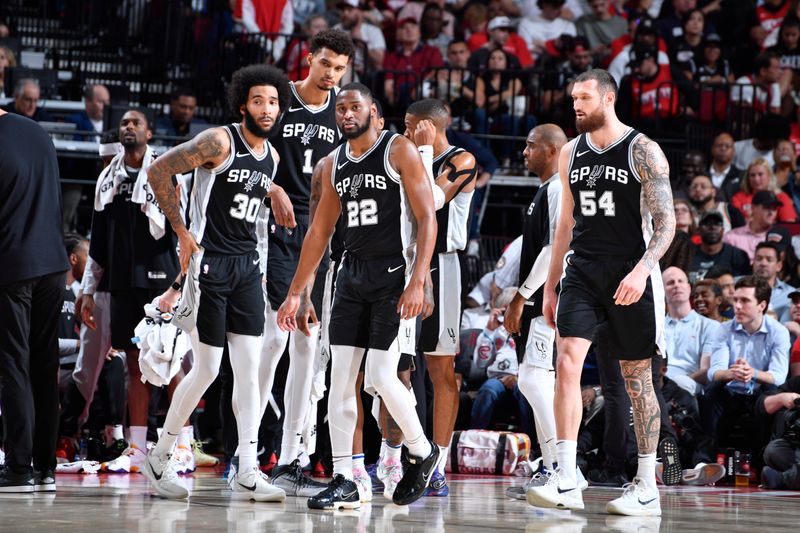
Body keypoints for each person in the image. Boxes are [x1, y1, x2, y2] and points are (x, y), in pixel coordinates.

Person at [276, 83, 439, 509]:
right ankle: (347, 478)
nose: (346, 113)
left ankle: (423, 451)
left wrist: (419, 279)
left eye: (355, 107)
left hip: (393, 275)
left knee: (382, 377)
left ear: (376, 116)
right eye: (341, 108)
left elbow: (426, 218)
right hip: (349, 277)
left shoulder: (398, 149)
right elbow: (319, 232)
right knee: (340, 382)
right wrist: (298, 292)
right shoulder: (333, 164)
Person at [140, 64, 294, 502]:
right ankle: (160, 455)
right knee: (207, 369)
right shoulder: (218, 141)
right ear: (243, 103)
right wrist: (182, 233)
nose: (268, 109)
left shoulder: (273, 156)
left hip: (247, 266)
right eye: (260, 100)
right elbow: (158, 172)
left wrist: (274, 191)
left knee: (250, 370)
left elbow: (254, 191)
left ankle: (247, 468)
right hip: (209, 265)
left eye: (274, 102)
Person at [529, 69, 675, 517]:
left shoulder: (643, 150)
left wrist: (642, 270)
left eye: (585, 98)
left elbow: (667, 224)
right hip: (583, 272)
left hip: (631, 272)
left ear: (608, 99)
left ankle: (646, 482)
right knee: (567, 361)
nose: (576, 105)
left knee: (636, 380)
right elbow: (565, 225)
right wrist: (550, 288)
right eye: (573, 98)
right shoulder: (570, 153)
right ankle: (568, 476)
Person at [257, 29, 353, 498]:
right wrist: (271, 186)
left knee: (308, 349)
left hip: (323, 232)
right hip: (277, 228)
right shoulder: (279, 98)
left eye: (340, 69)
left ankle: (292, 453)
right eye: (326, 65)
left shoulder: (345, 112)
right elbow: (248, 149)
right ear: (310, 59)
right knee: (274, 340)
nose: (331, 75)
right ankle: (250, 449)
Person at [78, 109, 186, 473]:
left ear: (149, 132)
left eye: (135, 122)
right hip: (123, 283)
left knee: (170, 363)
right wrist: (88, 291)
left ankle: (182, 443)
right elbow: (96, 245)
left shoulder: (166, 172)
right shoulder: (107, 179)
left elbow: (183, 229)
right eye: (124, 123)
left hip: (161, 281)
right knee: (136, 366)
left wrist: (181, 281)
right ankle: (138, 448)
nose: (128, 127)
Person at [405, 98, 477, 496]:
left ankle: (439, 463)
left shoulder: (461, 159)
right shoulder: (405, 154)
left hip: (443, 266)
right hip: (402, 263)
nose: (404, 131)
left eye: (410, 125)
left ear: (427, 126)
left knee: (440, 369)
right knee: (396, 367)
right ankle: (397, 456)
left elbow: (431, 200)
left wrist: (425, 150)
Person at [0, 107, 69, 492]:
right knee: (44, 364)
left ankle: (18, 467)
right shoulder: (37, 132)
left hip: (13, 264)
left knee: (13, 363)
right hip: (54, 263)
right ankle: (45, 467)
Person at [503, 124, 569, 498]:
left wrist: (521, 296)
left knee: (533, 378)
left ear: (551, 150)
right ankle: (552, 464)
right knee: (534, 380)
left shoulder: (559, 188)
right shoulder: (544, 191)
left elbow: (553, 249)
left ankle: (561, 466)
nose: (524, 152)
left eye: (530, 146)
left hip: (548, 299)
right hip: (537, 298)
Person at [705, 276, 790, 451]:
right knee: (712, 389)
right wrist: (733, 373)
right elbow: (713, 372)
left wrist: (753, 373)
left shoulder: (778, 332)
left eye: (744, 301)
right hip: (731, 391)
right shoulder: (723, 329)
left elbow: (779, 376)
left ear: (762, 305)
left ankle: (764, 460)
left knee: (773, 391)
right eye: (736, 300)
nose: (736, 306)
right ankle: (707, 459)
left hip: (760, 393)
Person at [663, 267, 718, 396]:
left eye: (680, 281)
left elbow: (706, 370)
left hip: (688, 383)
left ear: (689, 288)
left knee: (680, 382)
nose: (676, 285)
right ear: (661, 291)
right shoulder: (655, 327)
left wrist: (673, 384)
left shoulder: (710, 326)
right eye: (670, 283)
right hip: (656, 382)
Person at [724, 190, 791, 261]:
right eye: (767, 207)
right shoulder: (732, 236)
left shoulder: (778, 237)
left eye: (774, 209)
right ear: (753, 208)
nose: (771, 213)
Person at [688, 211, 751, 282]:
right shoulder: (688, 254)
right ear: (698, 229)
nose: (712, 227)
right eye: (707, 224)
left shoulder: (737, 255)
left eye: (717, 224)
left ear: (723, 230)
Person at [731, 158, 796, 222]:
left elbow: (789, 225)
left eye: (760, 174)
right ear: (748, 178)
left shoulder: (781, 197)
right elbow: (736, 223)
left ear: (769, 176)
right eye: (752, 175)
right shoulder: (739, 198)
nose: (756, 179)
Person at [753, 241, 797, 322]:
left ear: (779, 266)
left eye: (769, 260)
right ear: (753, 262)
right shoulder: (736, 285)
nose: (763, 263)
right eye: (759, 259)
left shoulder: (792, 294)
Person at [708, 132, 743, 203]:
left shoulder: (741, 176)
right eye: (719, 145)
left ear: (733, 151)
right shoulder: (702, 174)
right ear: (712, 149)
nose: (723, 149)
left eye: (727, 146)